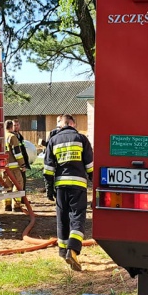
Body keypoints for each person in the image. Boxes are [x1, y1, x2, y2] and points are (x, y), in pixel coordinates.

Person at [42, 113, 92, 271]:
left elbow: (48, 169)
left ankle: (64, 252)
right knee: (77, 217)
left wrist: (49, 190)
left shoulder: (53, 140)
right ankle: (73, 249)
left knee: (62, 219)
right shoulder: (81, 139)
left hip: (61, 187)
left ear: (62, 124)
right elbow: (90, 166)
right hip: (78, 186)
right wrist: (96, 185)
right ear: (73, 124)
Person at [3, 119, 30, 211]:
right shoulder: (12, 137)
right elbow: (17, 153)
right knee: (18, 184)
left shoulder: (1, 137)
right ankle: (17, 205)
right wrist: (22, 165)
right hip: (14, 166)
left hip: (4, 166)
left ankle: (7, 205)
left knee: (7, 185)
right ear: (11, 127)